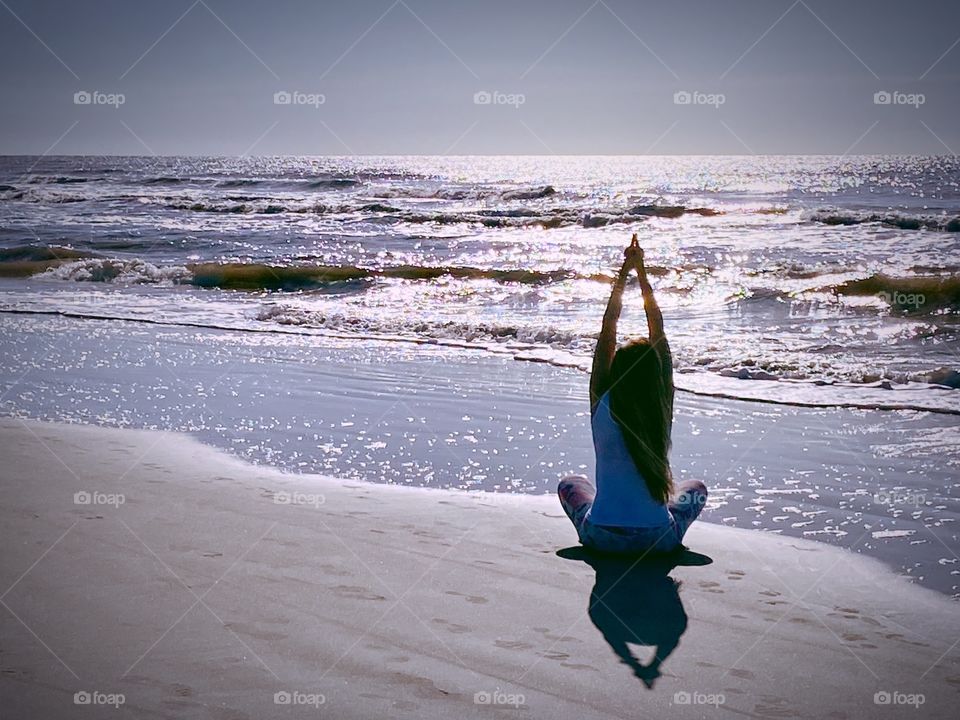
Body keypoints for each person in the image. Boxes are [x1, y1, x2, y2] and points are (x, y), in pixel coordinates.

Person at [558, 234, 707, 554]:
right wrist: (643, 273)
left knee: (571, 484)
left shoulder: (602, 402)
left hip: (601, 537)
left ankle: (613, 510)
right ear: (656, 374)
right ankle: (648, 513)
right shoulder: (661, 403)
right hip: (658, 541)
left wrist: (625, 271)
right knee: (695, 490)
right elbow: (659, 334)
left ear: (616, 370)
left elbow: (608, 328)